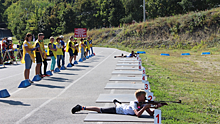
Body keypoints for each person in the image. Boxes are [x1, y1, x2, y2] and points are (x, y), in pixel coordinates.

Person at [71, 89, 162, 117]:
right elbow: (138, 114)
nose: (145, 98)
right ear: (138, 97)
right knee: (100, 110)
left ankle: (116, 102)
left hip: (123, 107)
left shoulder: (143, 104)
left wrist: (157, 108)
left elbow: (151, 114)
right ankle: (82, 107)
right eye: (143, 96)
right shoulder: (134, 103)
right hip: (119, 110)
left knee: (118, 104)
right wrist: (145, 107)